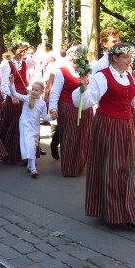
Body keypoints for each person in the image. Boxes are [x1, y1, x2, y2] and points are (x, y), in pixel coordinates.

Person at [73, 42, 135, 229]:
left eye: (130, 56)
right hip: (108, 126)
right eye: (125, 57)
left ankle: (127, 210)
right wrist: (81, 89)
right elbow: (86, 102)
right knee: (112, 169)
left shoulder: (127, 76)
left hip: (126, 127)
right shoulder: (102, 77)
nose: (130, 60)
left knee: (127, 169)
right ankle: (115, 212)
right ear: (114, 58)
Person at [48, 45, 93, 176]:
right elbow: (55, 91)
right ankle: (69, 167)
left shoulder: (85, 71)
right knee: (69, 137)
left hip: (84, 107)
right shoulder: (62, 71)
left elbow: (91, 90)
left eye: (79, 55)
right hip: (68, 107)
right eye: (73, 54)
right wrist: (53, 108)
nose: (75, 57)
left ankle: (79, 164)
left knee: (83, 137)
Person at [9, 80, 53, 177]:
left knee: (32, 145)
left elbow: (45, 117)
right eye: (32, 89)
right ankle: (33, 168)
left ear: (41, 91)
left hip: (34, 127)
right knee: (30, 145)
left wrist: (53, 117)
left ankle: (29, 164)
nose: (33, 91)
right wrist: (12, 83)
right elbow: (14, 93)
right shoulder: (26, 98)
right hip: (25, 125)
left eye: (36, 90)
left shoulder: (42, 104)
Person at [0, 42, 33, 164]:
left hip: (23, 95)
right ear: (14, 51)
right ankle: (10, 152)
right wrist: (11, 96)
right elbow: (3, 85)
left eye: (24, 51)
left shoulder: (25, 63)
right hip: (13, 96)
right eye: (20, 51)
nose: (22, 53)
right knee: (13, 125)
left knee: (25, 124)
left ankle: (24, 154)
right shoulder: (7, 65)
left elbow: (39, 59)